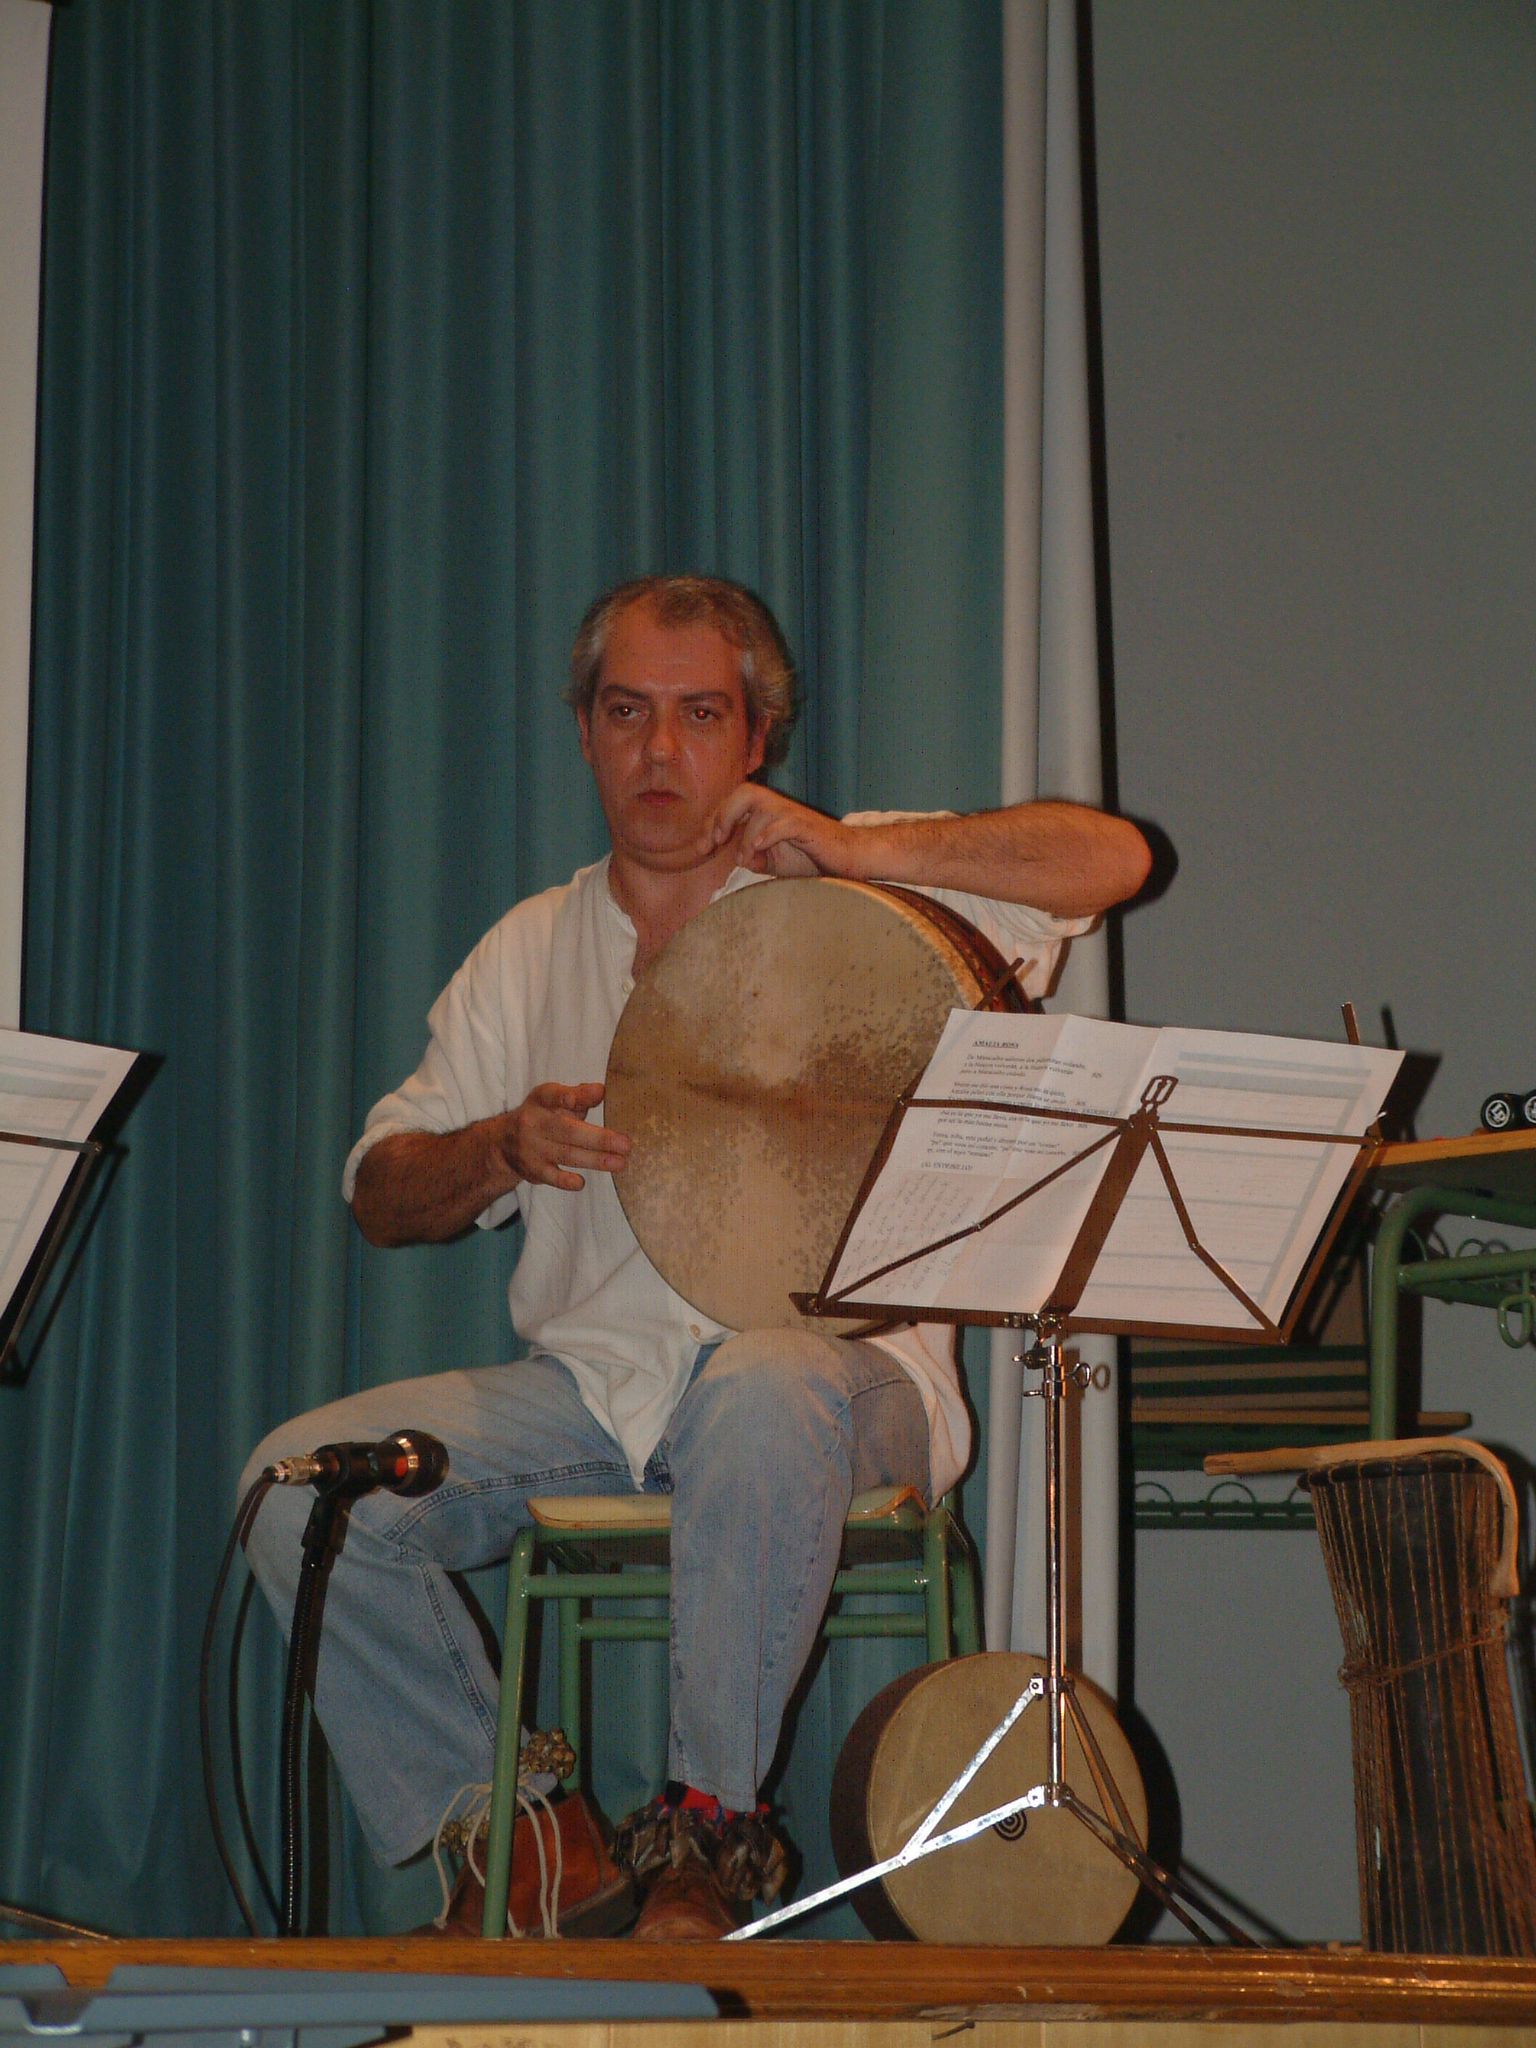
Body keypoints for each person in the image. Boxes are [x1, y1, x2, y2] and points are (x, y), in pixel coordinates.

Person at [241, 574, 1151, 1938]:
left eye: (699, 715)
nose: (660, 751)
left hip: (843, 1384)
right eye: (627, 713)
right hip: (593, 1401)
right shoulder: (529, 949)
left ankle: (706, 1845)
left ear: (756, 736)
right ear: (585, 731)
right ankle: (528, 1841)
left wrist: (850, 850)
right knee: (297, 1490)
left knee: (760, 1384)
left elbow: (1113, 861)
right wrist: (499, 1145)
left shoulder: (853, 877)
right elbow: (379, 1191)